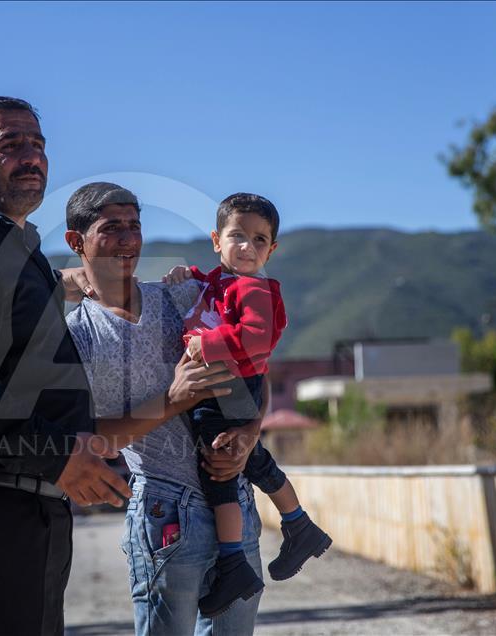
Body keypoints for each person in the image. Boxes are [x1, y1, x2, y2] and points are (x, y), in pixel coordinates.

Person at [0, 98, 229, 635]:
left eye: (38, 145)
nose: (31, 157)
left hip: (21, 504)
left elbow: (10, 332)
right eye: (10, 145)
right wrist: (57, 460)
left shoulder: (8, 246)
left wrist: (66, 280)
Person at [64, 182, 270, 635]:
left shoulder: (181, 297)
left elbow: (255, 370)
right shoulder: (75, 335)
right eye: (111, 228)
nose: (128, 239)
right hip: (165, 512)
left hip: (234, 502)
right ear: (76, 242)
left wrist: (251, 431)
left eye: (134, 226)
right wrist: (174, 400)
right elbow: (96, 440)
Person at [170, 192, 332, 617]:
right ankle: (298, 525)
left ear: (271, 250)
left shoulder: (254, 288)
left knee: (219, 468)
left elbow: (257, 339)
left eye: (259, 241)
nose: (248, 247)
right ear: (216, 240)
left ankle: (233, 563)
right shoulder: (222, 281)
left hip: (230, 390)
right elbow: (211, 289)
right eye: (237, 236)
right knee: (254, 460)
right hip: (230, 389)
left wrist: (206, 343)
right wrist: (188, 274)